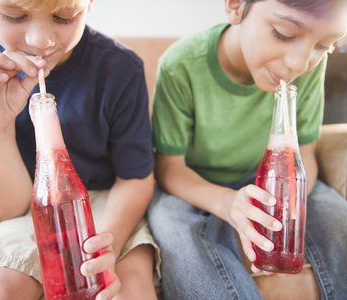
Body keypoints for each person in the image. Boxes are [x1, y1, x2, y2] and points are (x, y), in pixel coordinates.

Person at [0, 0, 160, 299]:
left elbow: (136, 179)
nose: (40, 40)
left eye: (64, 17)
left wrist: (105, 245)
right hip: (22, 214)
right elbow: (6, 209)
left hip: (106, 203)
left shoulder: (119, 69)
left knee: (129, 287)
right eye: (14, 15)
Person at [148, 0, 347, 299]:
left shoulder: (306, 69)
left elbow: (305, 152)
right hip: (195, 185)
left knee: (337, 221)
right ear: (235, 6)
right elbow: (168, 168)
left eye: (324, 46)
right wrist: (229, 204)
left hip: (275, 184)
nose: (299, 63)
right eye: (283, 33)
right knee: (176, 232)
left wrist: (284, 210)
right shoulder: (181, 65)